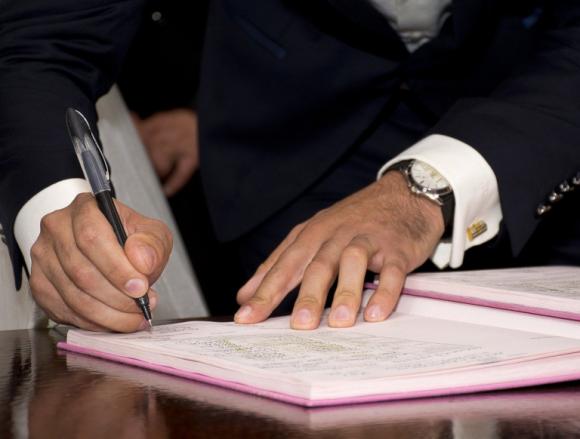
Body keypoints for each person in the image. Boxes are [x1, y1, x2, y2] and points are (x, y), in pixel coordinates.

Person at [1, 0, 579, 332]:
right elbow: (45, 41)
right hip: (298, 148)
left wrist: (422, 190)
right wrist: (57, 209)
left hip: (544, 139)